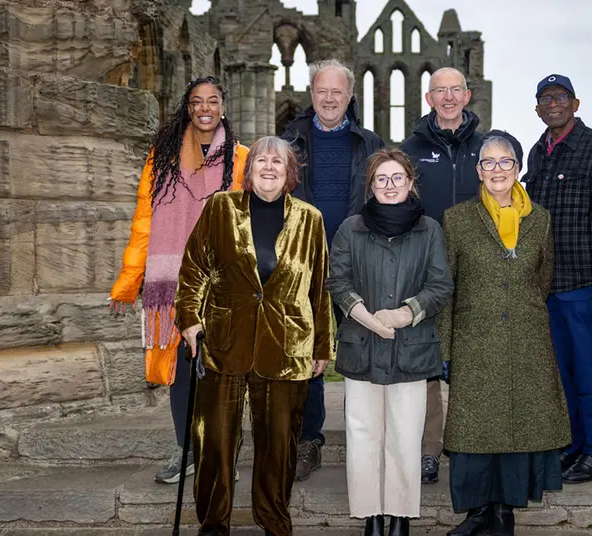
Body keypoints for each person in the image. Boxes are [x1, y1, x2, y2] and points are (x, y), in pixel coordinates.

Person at [174, 136, 334, 536]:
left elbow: (320, 288)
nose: (268, 167)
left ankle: (274, 521)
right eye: (261, 159)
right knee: (215, 440)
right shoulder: (221, 208)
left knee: (279, 445)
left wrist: (321, 346)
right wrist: (190, 319)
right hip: (225, 341)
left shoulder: (310, 219)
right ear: (249, 169)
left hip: (287, 345)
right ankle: (213, 523)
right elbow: (194, 268)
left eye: (277, 162)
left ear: (289, 172)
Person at [108, 76, 248, 484]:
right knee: (181, 370)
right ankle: (185, 449)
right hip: (172, 282)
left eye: (213, 100)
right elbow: (144, 222)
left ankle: (222, 452)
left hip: (225, 283)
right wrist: (129, 281)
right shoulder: (162, 158)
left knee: (222, 372)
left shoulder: (241, 159)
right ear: (188, 109)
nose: (205, 107)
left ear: (223, 106)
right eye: (196, 101)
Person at [440, 131, 571, 536]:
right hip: (474, 336)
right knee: (474, 427)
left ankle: (505, 512)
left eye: (506, 161)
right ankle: (478, 511)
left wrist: (521, 308)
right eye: (489, 162)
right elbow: (447, 287)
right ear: (479, 170)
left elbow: (543, 278)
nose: (498, 170)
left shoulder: (541, 218)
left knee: (519, 425)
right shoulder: (456, 219)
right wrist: (444, 347)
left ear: (518, 168)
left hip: (526, 338)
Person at [328, 148, 454, 536]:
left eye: (397, 177)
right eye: (381, 179)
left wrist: (403, 314)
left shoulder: (429, 229)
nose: (389, 185)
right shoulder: (352, 228)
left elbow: (440, 284)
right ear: (370, 187)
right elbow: (338, 280)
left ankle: (400, 515)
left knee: (404, 434)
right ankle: (371, 515)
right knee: (364, 434)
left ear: (411, 183)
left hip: (411, 347)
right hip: (361, 343)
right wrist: (365, 315)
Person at [523, 74, 592, 484]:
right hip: (545, 284)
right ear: (537, 108)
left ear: (575, 103)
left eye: (560, 97)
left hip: (583, 282)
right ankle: (572, 447)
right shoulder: (538, 153)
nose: (553, 104)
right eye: (545, 98)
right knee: (560, 374)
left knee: (589, 372)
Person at [281, 58, 385, 481]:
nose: (329, 98)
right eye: (322, 91)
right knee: (307, 352)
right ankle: (309, 440)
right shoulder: (291, 141)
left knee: (364, 348)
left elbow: (384, 200)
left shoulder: (371, 142)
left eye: (337, 92)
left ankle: (373, 437)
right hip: (303, 261)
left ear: (350, 96)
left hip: (356, 261)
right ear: (312, 95)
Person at [399, 67, 484, 485]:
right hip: (425, 267)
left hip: (479, 268)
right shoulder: (410, 149)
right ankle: (428, 449)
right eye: (440, 91)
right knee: (428, 362)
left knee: (474, 359)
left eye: (455, 90)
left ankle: (472, 445)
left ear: (467, 96)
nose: (448, 97)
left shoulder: (488, 146)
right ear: (429, 98)